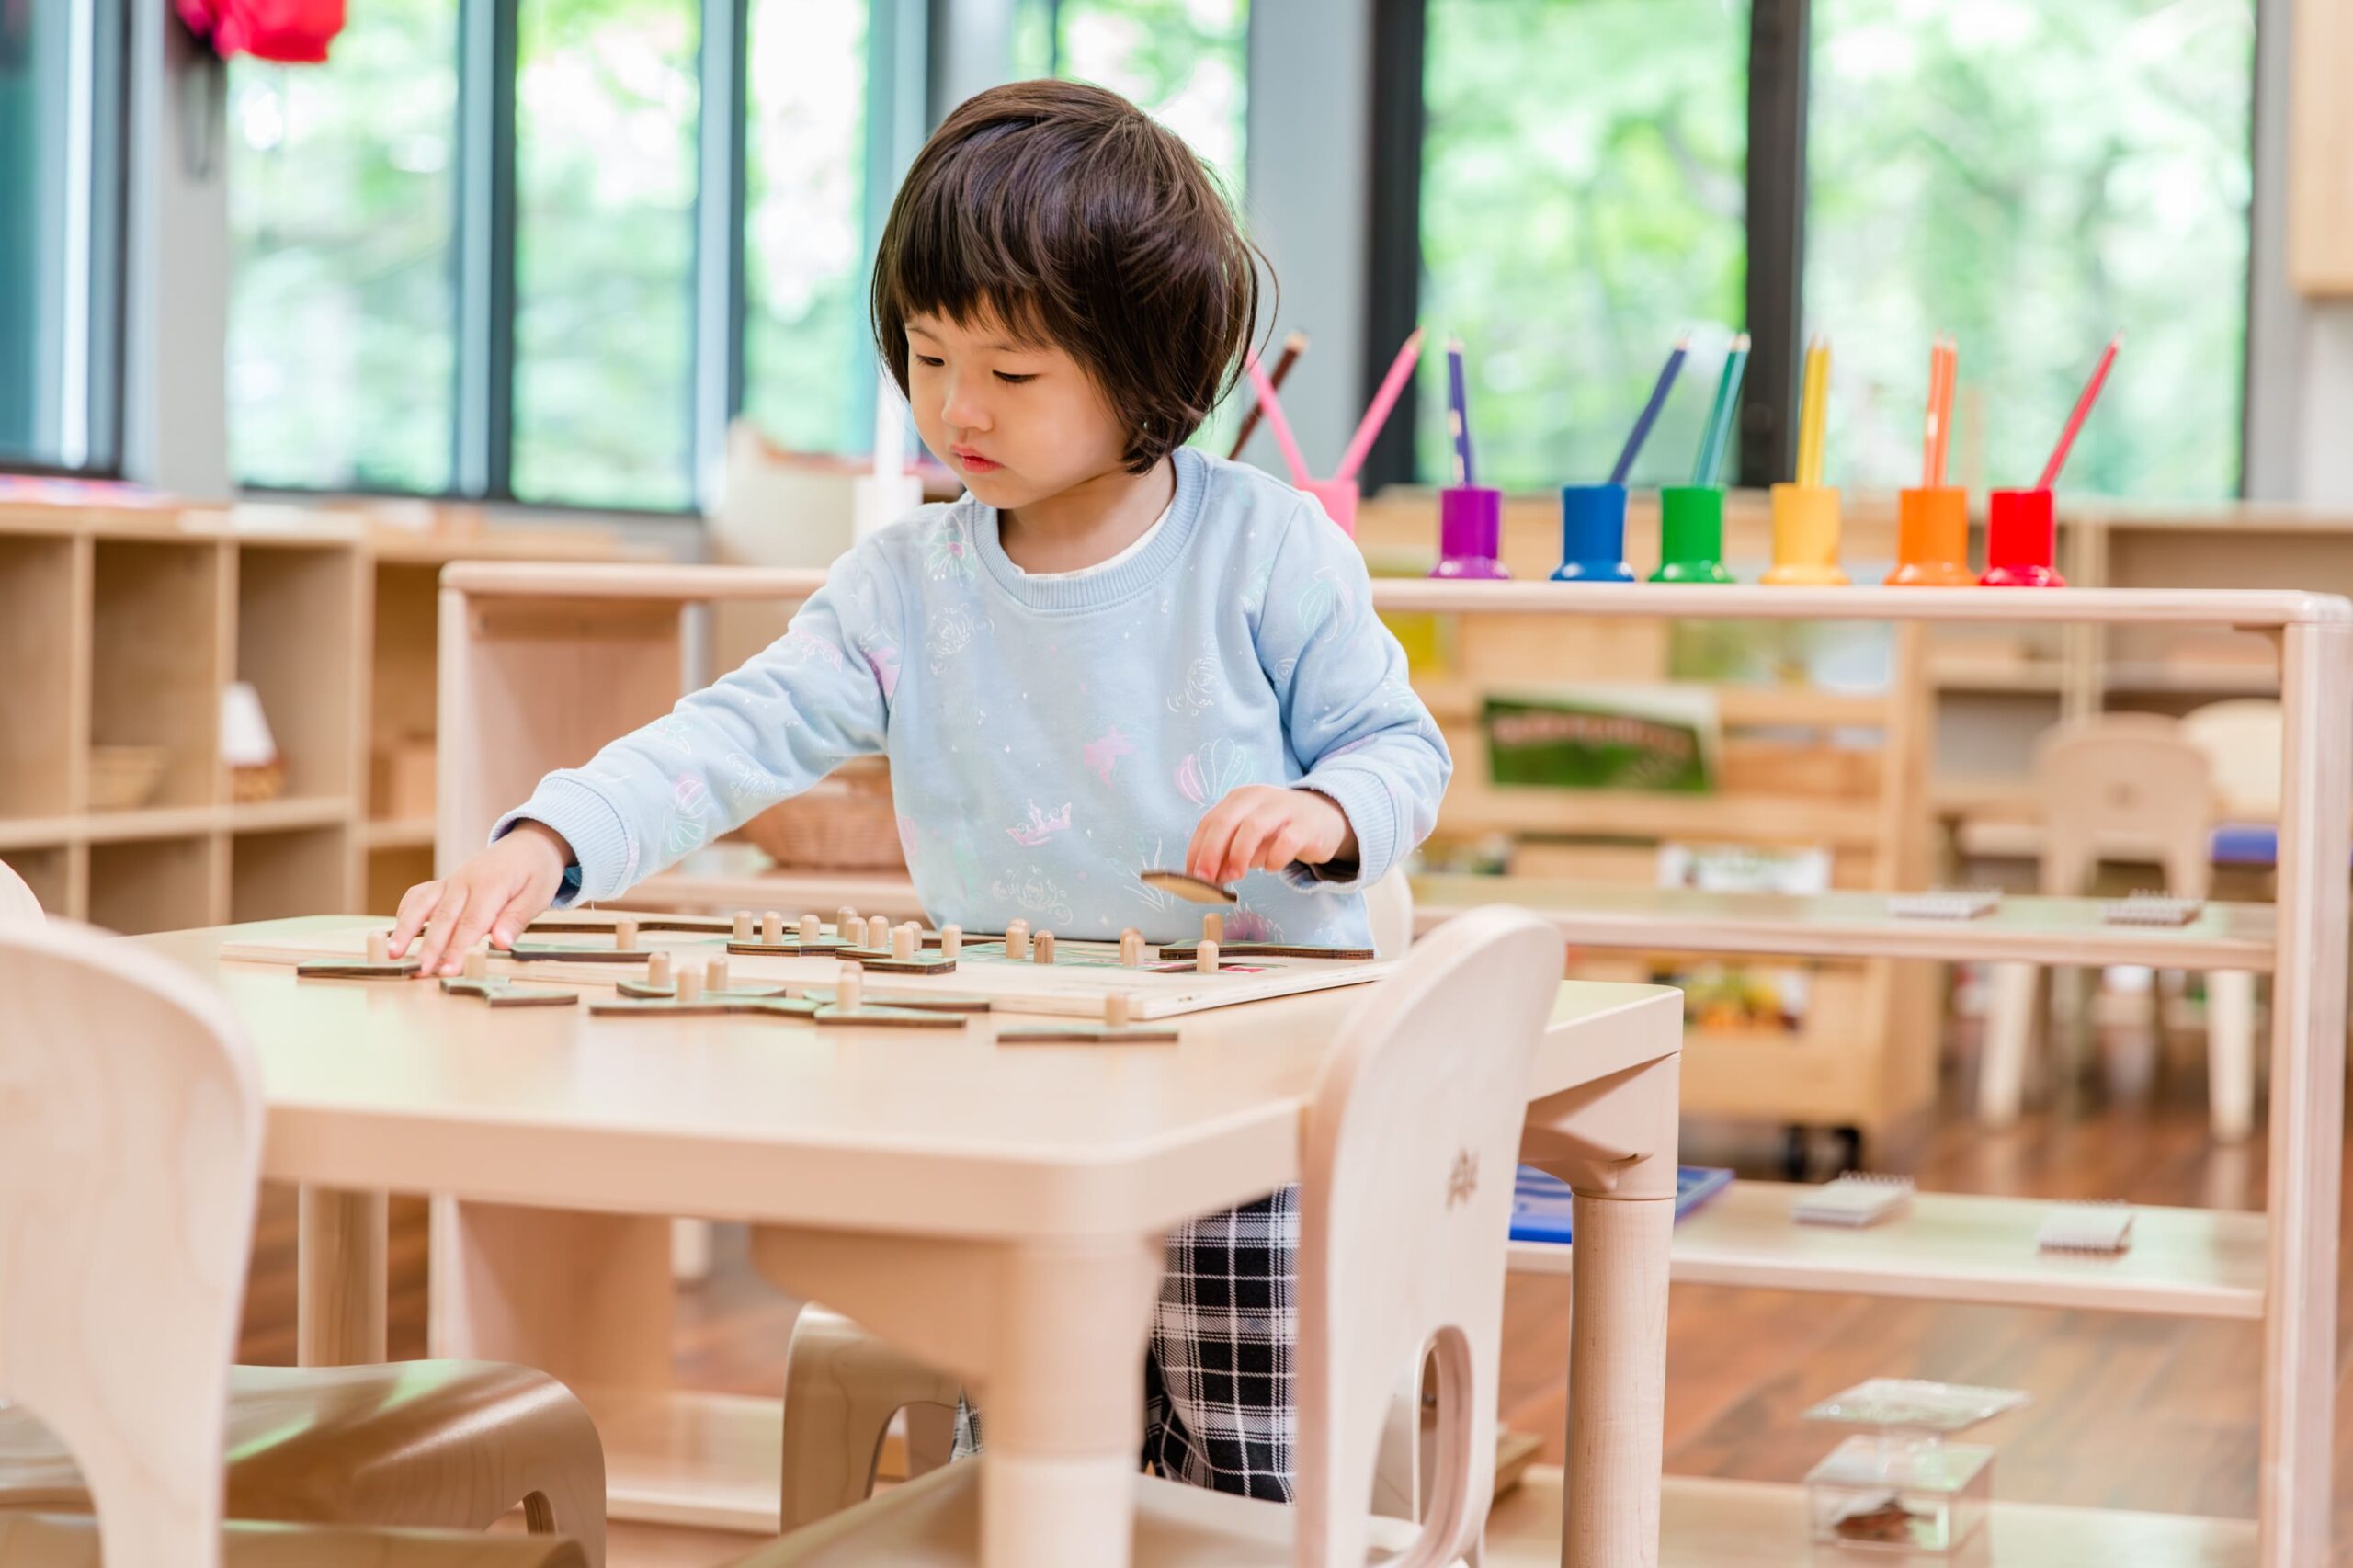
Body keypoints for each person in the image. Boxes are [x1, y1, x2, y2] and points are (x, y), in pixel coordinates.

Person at [390, 77, 1449, 1501]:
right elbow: (737, 730)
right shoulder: (906, 584)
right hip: (1012, 1077)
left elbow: (1401, 751)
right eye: (928, 355)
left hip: (1249, 1094)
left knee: (1237, 1471)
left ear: (1146, 370)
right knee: (1023, 1456)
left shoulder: (1263, 546)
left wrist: (1328, 818)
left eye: (1011, 375)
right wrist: (550, 835)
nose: (957, 407)